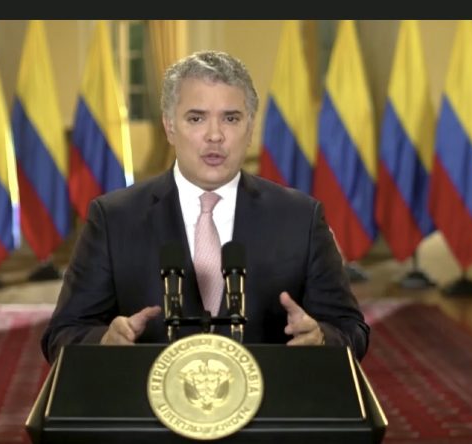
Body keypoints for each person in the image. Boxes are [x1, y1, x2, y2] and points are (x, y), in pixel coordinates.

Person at [41, 50, 370, 364]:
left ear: (250, 128)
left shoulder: (300, 218)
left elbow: (351, 330)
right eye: (196, 118)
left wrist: (320, 339)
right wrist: (103, 343)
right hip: (146, 400)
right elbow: (63, 334)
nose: (215, 135)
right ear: (170, 127)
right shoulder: (113, 219)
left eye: (231, 118)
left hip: (270, 401)